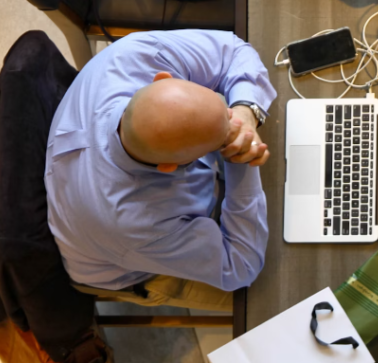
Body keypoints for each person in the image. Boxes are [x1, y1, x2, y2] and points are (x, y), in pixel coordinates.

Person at [45, 30, 277, 312]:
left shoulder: (137, 55)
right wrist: (240, 156)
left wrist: (245, 112)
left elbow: (234, 51)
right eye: (220, 139)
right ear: (170, 168)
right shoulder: (135, 224)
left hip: (106, 216)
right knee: (268, 300)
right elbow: (241, 267)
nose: (233, 128)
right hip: (124, 264)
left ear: (163, 78)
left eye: (222, 110)